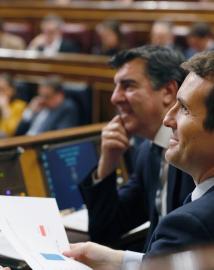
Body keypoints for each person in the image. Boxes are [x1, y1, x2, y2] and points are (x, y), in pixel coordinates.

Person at [0, 49, 214, 270]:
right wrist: (117, 259)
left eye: (183, 107)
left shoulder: (193, 197)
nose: (168, 119)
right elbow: (182, 261)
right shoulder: (148, 153)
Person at [79, 45, 195, 251]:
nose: (115, 98)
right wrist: (108, 161)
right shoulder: (147, 152)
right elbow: (106, 230)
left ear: (168, 91)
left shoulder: (197, 151)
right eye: (116, 87)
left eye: (128, 86)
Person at [15, 75, 80, 136]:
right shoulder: (39, 107)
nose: (42, 100)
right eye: (40, 95)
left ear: (60, 95)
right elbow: (17, 133)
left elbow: (62, 136)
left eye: (46, 96)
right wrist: (30, 112)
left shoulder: (67, 108)